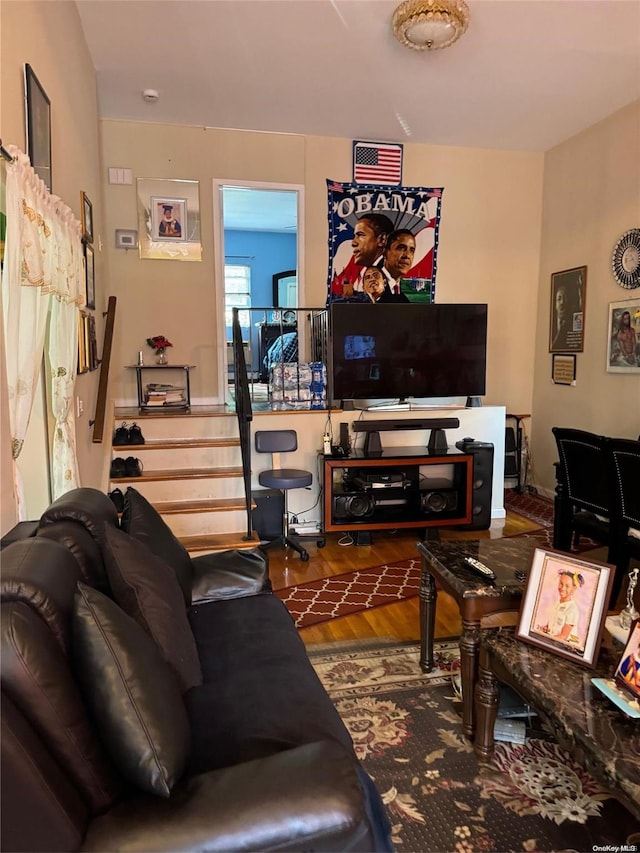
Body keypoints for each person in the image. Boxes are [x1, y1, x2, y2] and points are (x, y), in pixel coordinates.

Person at [351, 213, 394, 291]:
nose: (353, 243)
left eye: (360, 235)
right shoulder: (368, 271)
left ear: (382, 239)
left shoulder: (390, 273)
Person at [538, 570, 584, 643]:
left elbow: (563, 636)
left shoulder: (572, 609)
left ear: (574, 588)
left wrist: (545, 641)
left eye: (567, 586)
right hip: (552, 640)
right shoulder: (556, 604)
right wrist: (544, 629)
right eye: (561, 583)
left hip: (563, 646)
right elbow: (551, 624)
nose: (562, 588)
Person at [380, 229, 415, 299]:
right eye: (401, 248)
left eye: (412, 250)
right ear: (385, 252)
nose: (407, 255)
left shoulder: (404, 299)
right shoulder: (372, 286)